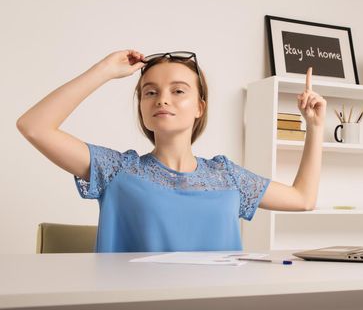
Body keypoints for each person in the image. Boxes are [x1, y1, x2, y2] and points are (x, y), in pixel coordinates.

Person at [16, 49, 326, 252]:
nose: (162, 99)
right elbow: (34, 126)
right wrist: (103, 71)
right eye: (150, 92)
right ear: (142, 106)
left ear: (199, 107)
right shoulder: (115, 169)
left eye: (178, 91)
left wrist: (314, 127)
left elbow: (303, 198)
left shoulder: (228, 176)